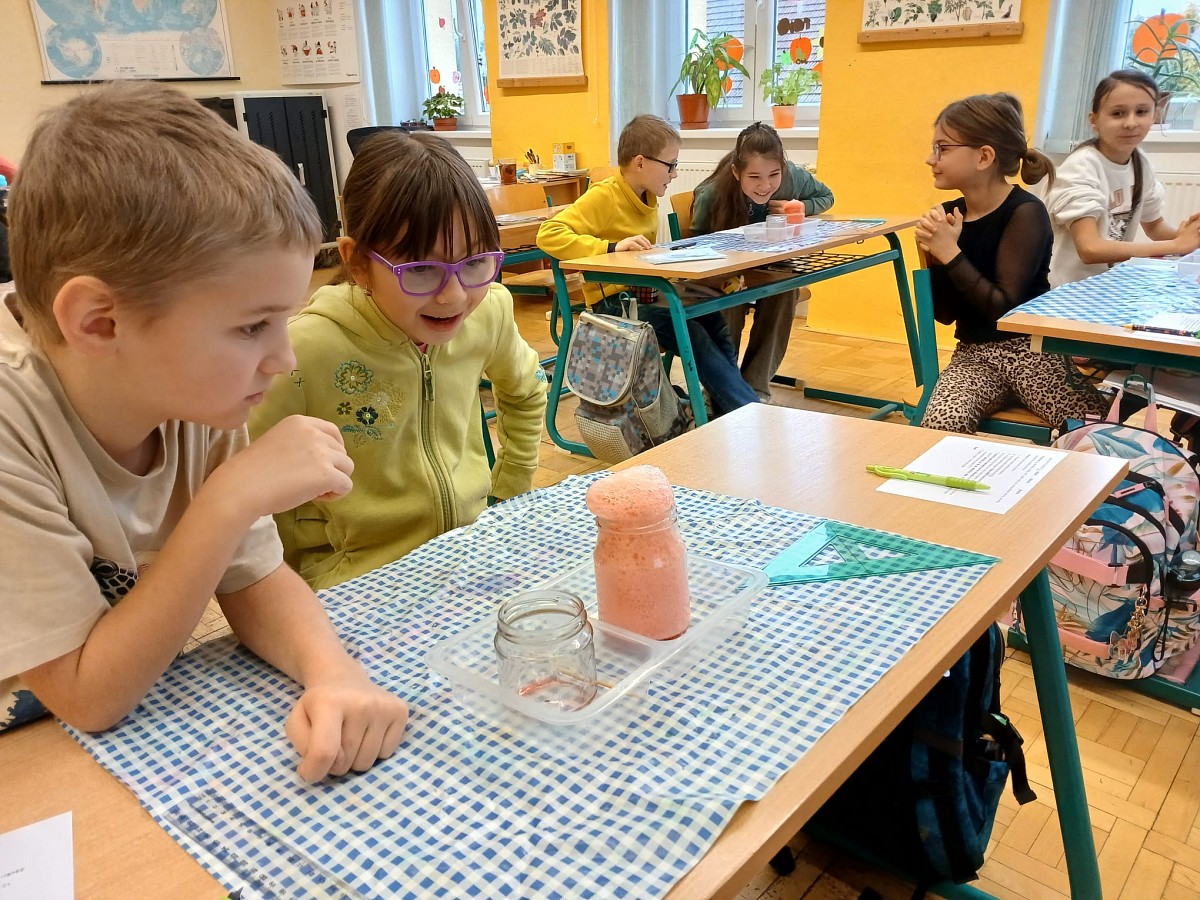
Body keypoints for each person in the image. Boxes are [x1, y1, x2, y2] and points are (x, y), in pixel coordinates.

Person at [0, 83, 409, 781]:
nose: (283, 360)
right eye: (252, 327)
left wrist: (332, 672)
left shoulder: (188, 390)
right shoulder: (15, 424)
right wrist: (228, 500)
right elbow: (87, 695)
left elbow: (252, 578)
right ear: (100, 322)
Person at [249, 131, 547, 590]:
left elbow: (525, 391)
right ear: (358, 263)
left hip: (467, 555)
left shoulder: (488, 313)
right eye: (421, 270)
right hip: (355, 580)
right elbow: (247, 474)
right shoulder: (303, 349)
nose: (453, 296)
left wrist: (508, 495)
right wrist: (296, 582)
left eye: (474, 264)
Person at [537, 114, 758, 417]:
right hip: (612, 305)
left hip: (643, 295)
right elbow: (548, 233)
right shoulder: (605, 195)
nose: (675, 173)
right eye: (670, 165)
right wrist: (610, 247)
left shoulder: (646, 197)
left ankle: (727, 409)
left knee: (713, 321)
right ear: (640, 163)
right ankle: (748, 413)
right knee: (691, 332)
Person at [916, 92, 1107, 433]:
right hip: (973, 355)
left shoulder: (1026, 213)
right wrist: (937, 258)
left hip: (1032, 352)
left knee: (1094, 426)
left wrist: (950, 253)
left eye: (942, 148)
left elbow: (1003, 309)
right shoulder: (948, 216)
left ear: (984, 156)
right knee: (942, 421)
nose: (931, 159)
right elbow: (944, 314)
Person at [690, 122, 835, 400]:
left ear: (783, 167)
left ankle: (755, 388)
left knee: (786, 288)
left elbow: (827, 196)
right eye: (754, 177)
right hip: (724, 270)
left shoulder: (792, 177)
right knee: (731, 295)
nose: (765, 185)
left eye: (774, 175)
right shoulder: (712, 194)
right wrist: (727, 273)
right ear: (736, 172)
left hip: (771, 268)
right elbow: (695, 247)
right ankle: (723, 388)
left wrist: (802, 207)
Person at [1047, 69, 1200, 288]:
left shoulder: (1141, 163)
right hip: (1066, 290)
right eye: (1118, 113)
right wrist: (1176, 245)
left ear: (1154, 116)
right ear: (1094, 120)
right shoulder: (1081, 167)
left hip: (1109, 284)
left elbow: (1155, 226)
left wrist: (1188, 237)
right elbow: (1089, 249)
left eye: (1141, 112)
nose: (1130, 123)